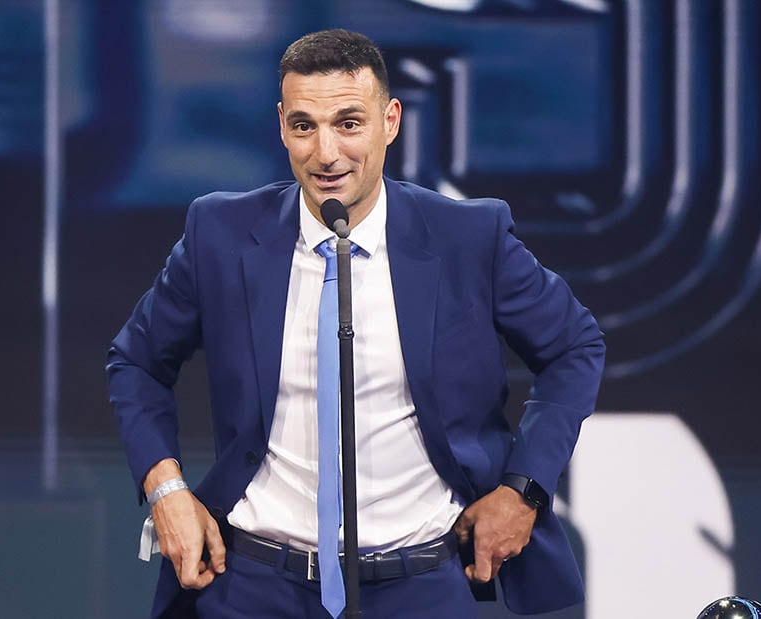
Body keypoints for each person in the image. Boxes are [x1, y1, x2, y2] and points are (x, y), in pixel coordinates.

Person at [106, 29, 605, 619]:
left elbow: (575, 345)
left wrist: (524, 489)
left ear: (390, 120)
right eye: (303, 126)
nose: (325, 154)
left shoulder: (469, 238)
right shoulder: (219, 233)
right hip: (253, 586)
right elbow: (136, 362)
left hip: (425, 586)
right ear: (281, 125)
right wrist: (166, 490)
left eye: (348, 123)